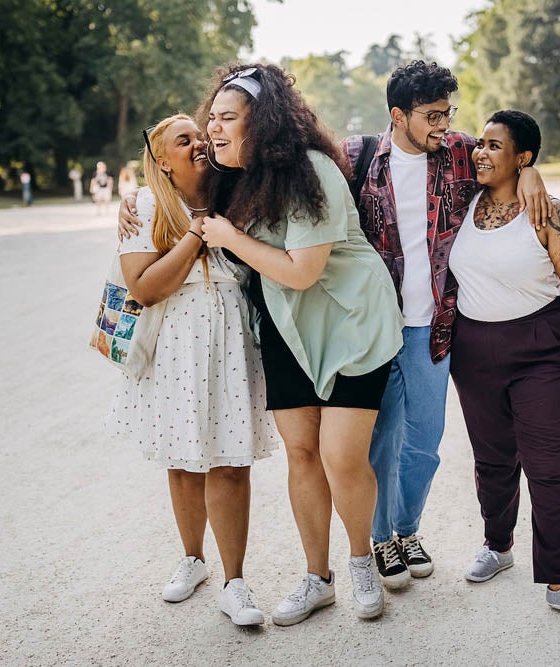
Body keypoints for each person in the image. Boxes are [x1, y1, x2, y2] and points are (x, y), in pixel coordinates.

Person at [198, 63, 404, 626]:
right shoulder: (229, 174)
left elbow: (302, 272)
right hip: (286, 327)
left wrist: (230, 236)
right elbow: (163, 172)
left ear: (261, 123)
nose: (214, 129)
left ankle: (362, 562)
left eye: (228, 118)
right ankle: (319, 578)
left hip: (350, 320)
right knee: (301, 452)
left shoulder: (311, 169)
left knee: (341, 454)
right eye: (211, 117)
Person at [340, 61, 555, 589]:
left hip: (433, 326)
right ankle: (382, 538)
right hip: (373, 324)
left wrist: (530, 170)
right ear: (398, 115)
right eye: (432, 115)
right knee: (381, 438)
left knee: (425, 439)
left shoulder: (459, 152)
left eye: (448, 112)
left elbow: (505, 158)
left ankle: (406, 528)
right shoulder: (356, 157)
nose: (445, 124)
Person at [447, 109, 560, 615]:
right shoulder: (460, 199)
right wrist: (521, 169)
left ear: (522, 158)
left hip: (544, 348)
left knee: (548, 464)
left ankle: (559, 579)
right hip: (475, 349)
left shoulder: (550, 214)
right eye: (479, 143)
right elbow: (433, 143)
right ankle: (497, 546)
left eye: (495, 146)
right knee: (493, 459)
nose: (480, 152)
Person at [106, 113, 279, 626]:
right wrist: (196, 235)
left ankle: (236, 582)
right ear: (162, 158)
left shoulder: (238, 190)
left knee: (230, 461)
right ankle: (192, 559)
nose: (199, 144)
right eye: (185, 140)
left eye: (201, 136)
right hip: (175, 342)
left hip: (232, 339)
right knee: (183, 460)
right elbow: (143, 287)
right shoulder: (147, 203)